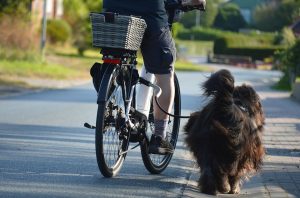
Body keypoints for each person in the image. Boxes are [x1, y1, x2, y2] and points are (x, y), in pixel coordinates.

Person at [103, 0, 177, 155]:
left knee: (117, 57)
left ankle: (107, 105)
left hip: (114, 11)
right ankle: (159, 137)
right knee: (164, 72)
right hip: (150, 14)